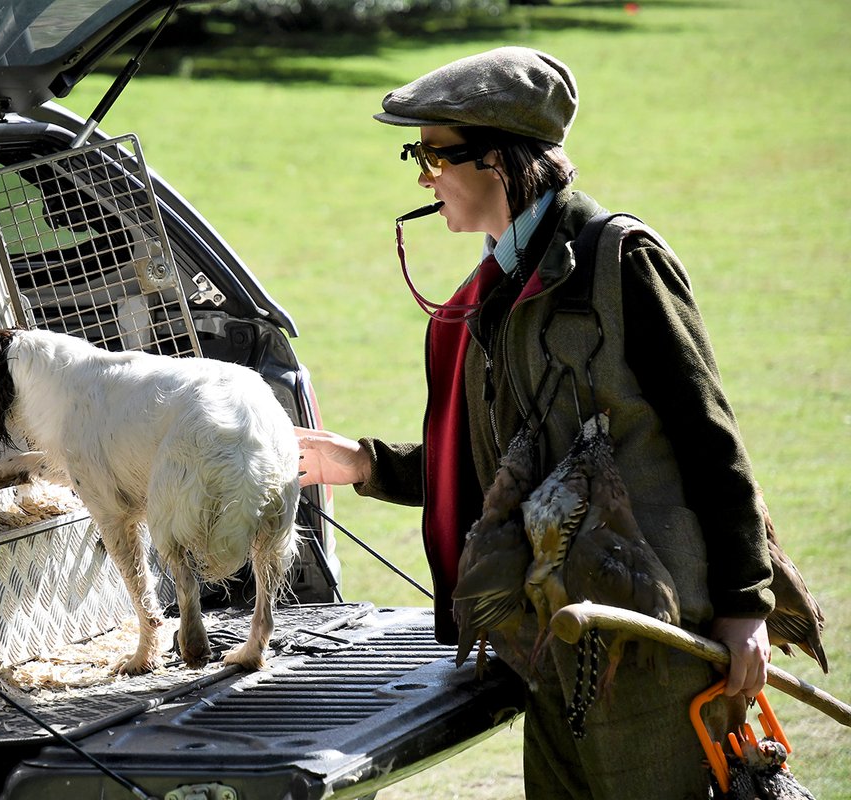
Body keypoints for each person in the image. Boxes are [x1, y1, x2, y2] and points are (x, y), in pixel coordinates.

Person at [295, 47, 774, 799]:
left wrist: (746, 606)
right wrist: (365, 464)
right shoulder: (489, 290)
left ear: (498, 160)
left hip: (653, 645)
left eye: (433, 155)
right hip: (548, 644)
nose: (422, 177)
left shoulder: (621, 261)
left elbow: (711, 438)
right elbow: (499, 465)